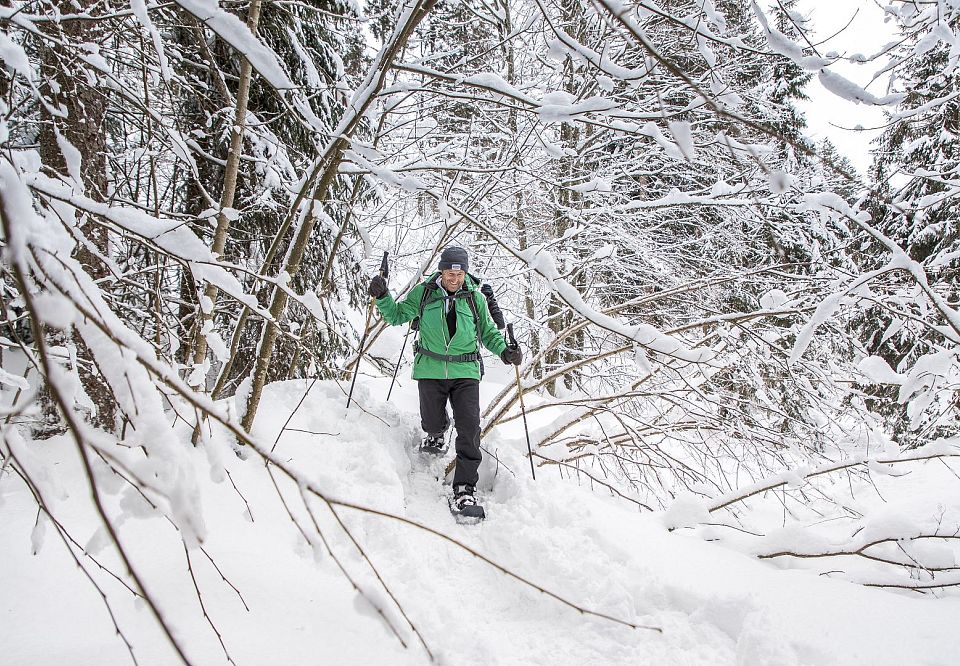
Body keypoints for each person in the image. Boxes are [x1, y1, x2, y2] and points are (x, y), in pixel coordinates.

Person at [368, 246, 522, 517]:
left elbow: (488, 332)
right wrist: (382, 296)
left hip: (466, 372)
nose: (455, 277)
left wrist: (505, 352)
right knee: (431, 420)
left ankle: (464, 489)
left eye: (459, 272)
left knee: (469, 428)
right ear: (442, 271)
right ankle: (437, 432)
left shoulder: (475, 298)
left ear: (465, 272)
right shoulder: (424, 293)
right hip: (431, 368)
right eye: (450, 272)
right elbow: (396, 315)